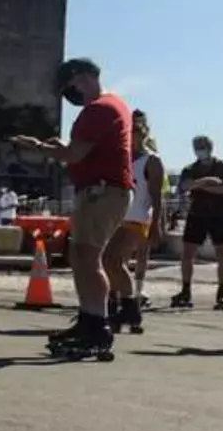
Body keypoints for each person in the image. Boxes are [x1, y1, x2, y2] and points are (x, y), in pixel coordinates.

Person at [15, 58, 133, 358]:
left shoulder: (98, 110)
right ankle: (90, 318)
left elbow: (75, 154)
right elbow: (82, 151)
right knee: (82, 255)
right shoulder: (113, 105)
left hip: (101, 191)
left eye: (70, 86)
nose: (70, 94)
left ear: (82, 78)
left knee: (88, 256)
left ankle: (96, 323)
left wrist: (39, 147)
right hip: (104, 190)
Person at [175, 133, 223, 311]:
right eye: (197, 147)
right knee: (188, 252)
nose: (200, 150)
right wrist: (207, 182)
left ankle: (222, 291)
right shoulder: (190, 168)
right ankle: (186, 289)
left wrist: (201, 186)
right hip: (197, 213)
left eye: (203, 146)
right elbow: (185, 186)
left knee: (222, 253)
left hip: (221, 213)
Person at [114, 110, 166, 327]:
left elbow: (156, 196)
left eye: (134, 131)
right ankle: (119, 304)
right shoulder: (120, 157)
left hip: (138, 218)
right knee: (114, 263)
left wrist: (156, 225)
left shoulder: (151, 161)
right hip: (117, 216)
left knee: (119, 261)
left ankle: (134, 298)